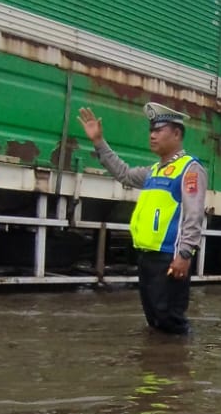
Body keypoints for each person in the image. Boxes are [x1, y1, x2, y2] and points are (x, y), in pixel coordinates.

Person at [77, 101, 207, 335]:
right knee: (154, 321)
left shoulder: (190, 169)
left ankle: (177, 366)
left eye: (159, 131)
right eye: (151, 131)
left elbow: (194, 214)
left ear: (176, 134)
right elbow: (123, 174)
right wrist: (98, 142)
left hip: (170, 258)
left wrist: (185, 254)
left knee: (170, 321)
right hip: (148, 258)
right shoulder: (153, 171)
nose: (153, 136)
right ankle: (157, 369)